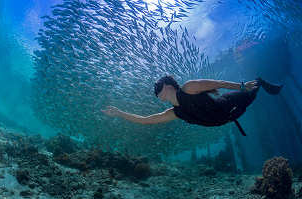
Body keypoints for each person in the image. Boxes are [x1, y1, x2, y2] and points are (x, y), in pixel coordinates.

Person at [101, 76, 283, 136]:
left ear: (169, 85)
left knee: (252, 93)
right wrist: (119, 113)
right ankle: (257, 86)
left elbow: (217, 83)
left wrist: (241, 86)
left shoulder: (189, 88)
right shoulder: (175, 112)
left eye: (158, 87)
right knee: (252, 98)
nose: (156, 92)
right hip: (231, 117)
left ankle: (259, 82)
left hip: (230, 103)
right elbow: (146, 121)